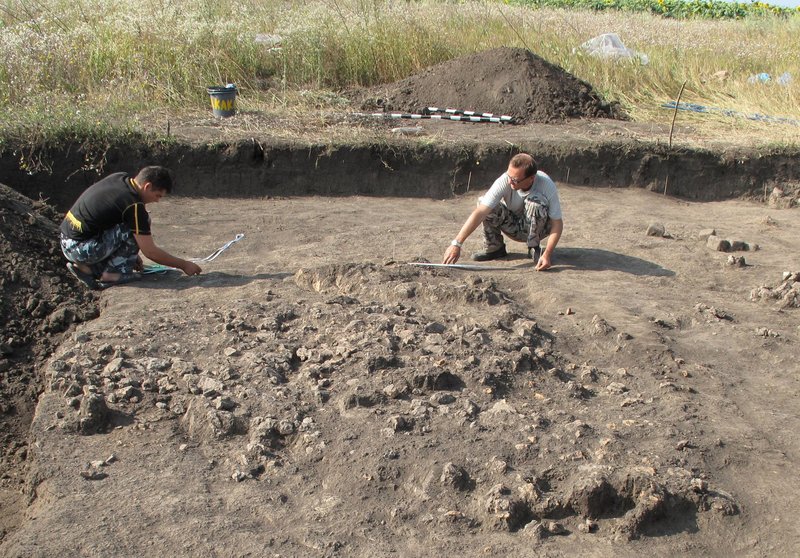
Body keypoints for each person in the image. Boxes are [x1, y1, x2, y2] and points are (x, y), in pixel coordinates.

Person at [60, 165, 202, 289]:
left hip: (67, 240)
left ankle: (88, 269)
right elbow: (150, 252)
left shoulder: (120, 178)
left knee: (134, 225)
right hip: (80, 249)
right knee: (138, 224)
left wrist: (130, 257)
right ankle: (113, 275)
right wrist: (184, 264)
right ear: (147, 186)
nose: (157, 201)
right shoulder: (133, 205)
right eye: (157, 195)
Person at [442, 153, 563, 271]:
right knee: (484, 202)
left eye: (515, 180)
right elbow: (480, 212)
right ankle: (494, 247)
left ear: (531, 178)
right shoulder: (505, 180)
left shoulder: (546, 185)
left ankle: (533, 247)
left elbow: (557, 224)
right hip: (514, 225)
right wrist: (456, 243)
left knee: (536, 203)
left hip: (539, 228)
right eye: (509, 176)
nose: (510, 182)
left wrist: (547, 254)